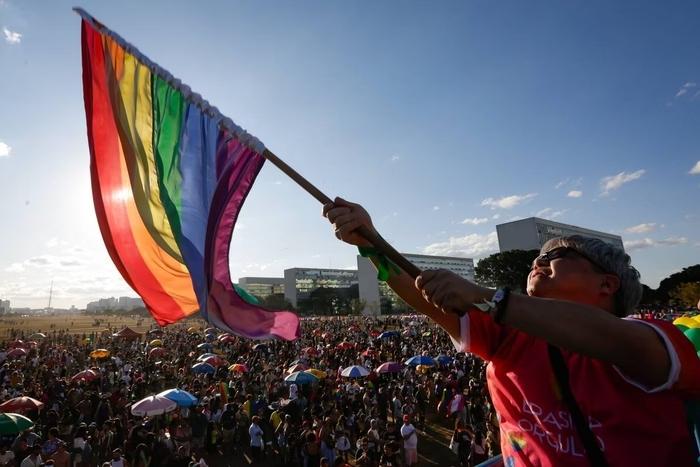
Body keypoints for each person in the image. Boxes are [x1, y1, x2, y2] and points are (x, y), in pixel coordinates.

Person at [324, 197, 700, 466]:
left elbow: (609, 338)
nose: (539, 260)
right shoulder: (509, 338)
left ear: (607, 285)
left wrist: (490, 298)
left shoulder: (653, 338)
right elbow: (422, 295)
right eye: (539, 256)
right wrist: (371, 242)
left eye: (558, 255)